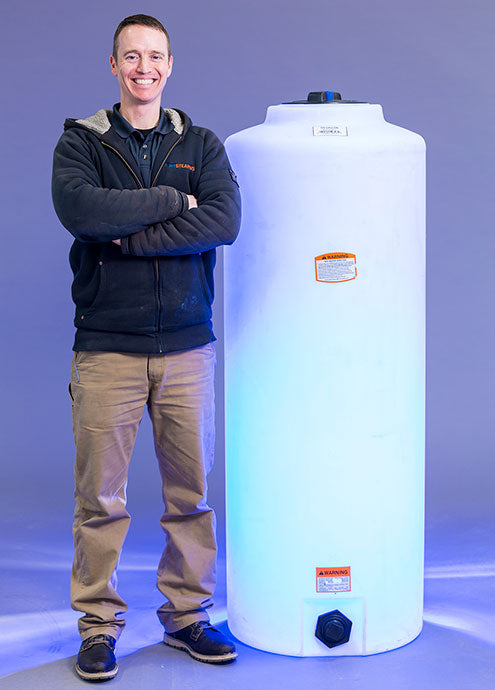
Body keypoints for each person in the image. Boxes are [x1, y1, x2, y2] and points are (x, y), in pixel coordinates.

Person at [51, 13, 241, 682]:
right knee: (99, 501)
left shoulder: (202, 142)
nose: (143, 67)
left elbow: (222, 221)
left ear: (169, 65)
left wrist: (128, 235)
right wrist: (168, 199)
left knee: (191, 493)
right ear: (113, 66)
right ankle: (98, 627)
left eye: (154, 56)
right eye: (131, 56)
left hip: (188, 347)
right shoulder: (82, 142)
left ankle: (187, 616)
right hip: (107, 348)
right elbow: (81, 213)